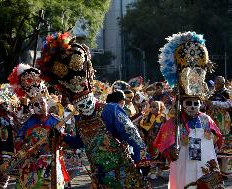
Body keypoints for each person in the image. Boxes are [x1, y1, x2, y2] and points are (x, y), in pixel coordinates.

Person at [36, 32, 151, 188]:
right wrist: (61, 137)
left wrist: (141, 160)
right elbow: (81, 141)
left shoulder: (111, 110)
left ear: (92, 96)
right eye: (79, 106)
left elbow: (132, 135)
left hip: (123, 173)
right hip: (99, 176)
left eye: (86, 102)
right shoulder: (80, 119)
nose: (84, 108)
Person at [155, 31, 225, 189]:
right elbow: (162, 141)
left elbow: (218, 138)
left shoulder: (206, 119)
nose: (193, 107)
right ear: (182, 104)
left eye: (196, 104)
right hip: (184, 162)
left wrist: (211, 139)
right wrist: (170, 151)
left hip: (205, 162)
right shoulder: (175, 122)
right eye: (189, 104)